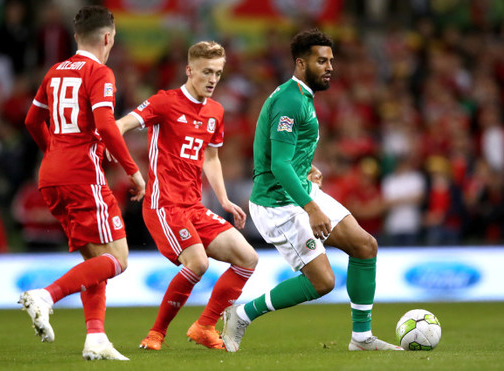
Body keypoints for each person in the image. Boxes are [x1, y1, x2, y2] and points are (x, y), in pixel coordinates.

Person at [221, 29, 403, 352]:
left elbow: (286, 155)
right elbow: (278, 165)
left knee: (365, 245)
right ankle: (241, 314)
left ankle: (361, 339)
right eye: (322, 61)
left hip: (299, 190)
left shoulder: (301, 95)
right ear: (301, 63)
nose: (330, 66)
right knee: (323, 282)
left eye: (331, 60)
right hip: (277, 204)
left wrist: (306, 167)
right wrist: (311, 207)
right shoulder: (290, 100)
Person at [18, 5, 145, 361]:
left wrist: (54, 152)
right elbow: (106, 125)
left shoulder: (55, 71)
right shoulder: (100, 72)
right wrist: (133, 171)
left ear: (76, 37)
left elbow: (32, 121)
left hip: (51, 176)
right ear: (108, 37)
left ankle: (96, 338)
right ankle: (47, 295)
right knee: (118, 259)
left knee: (96, 258)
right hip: (82, 176)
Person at [116, 41, 258, 351]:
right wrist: (131, 170)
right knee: (198, 263)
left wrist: (223, 200)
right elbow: (120, 126)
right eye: (207, 72)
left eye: (218, 73)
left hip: (193, 205)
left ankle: (205, 325)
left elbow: (211, 158)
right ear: (189, 70)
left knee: (248, 258)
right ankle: (155, 334)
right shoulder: (164, 103)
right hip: (163, 204)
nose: (212, 79)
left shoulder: (215, 112)